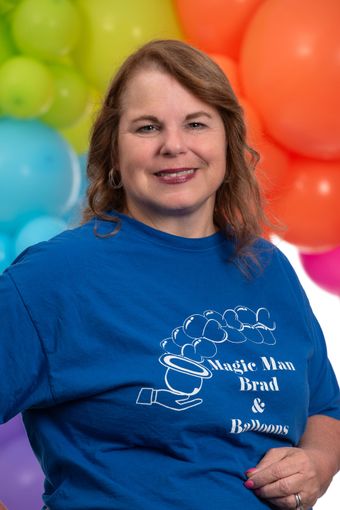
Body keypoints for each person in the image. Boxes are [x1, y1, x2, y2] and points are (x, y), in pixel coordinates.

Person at [0, 39, 339, 510]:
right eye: (147, 127)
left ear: (227, 141)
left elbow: (325, 408)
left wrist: (318, 463)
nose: (174, 145)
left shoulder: (266, 268)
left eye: (196, 124)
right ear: (113, 153)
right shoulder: (54, 277)